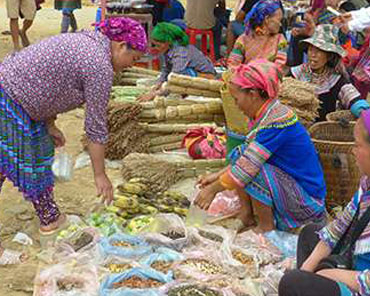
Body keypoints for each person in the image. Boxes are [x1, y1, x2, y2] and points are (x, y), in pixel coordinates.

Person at [0, 17, 147, 265]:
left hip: (16, 93)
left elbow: (50, 80)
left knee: (37, 156)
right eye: (132, 59)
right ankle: (49, 218)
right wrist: (100, 175)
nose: (130, 66)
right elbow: (96, 126)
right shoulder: (99, 65)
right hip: (10, 97)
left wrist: (49, 123)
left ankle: (49, 218)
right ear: (121, 45)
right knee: (21, 162)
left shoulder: (91, 43)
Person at [194, 60, 327, 233]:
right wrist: (216, 176)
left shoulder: (277, 122)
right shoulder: (265, 115)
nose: (236, 104)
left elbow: (247, 166)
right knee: (239, 154)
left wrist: (213, 190)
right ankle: (246, 214)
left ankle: (266, 226)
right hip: (291, 187)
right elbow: (245, 156)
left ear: (253, 94)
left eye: (236, 99)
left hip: (307, 202)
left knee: (251, 168)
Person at [279, 104, 370, 296]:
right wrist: (307, 270)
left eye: (357, 145)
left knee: (293, 283)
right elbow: (338, 228)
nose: (353, 151)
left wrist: (329, 274)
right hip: (356, 264)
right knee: (310, 234)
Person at [291, 24, 369, 121]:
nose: (313, 55)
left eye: (319, 51)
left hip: (321, 131)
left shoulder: (335, 79)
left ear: (329, 56)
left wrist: (361, 110)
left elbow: (350, 96)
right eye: (311, 49)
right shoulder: (296, 73)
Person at [139, 22, 216, 101]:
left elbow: (174, 78)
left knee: (178, 76)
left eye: (158, 45)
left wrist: (155, 94)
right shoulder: (168, 49)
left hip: (205, 78)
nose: (157, 48)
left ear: (168, 42)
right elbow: (166, 69)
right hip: (189, 73)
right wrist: (158, 84)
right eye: (155, 45)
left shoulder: (180, 52)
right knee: (167, 78)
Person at [227, 0, 288, 71]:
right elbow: (233, 64)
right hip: (247, 78)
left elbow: (279, 66)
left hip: (269, 79)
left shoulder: (280, 40)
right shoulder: (243, 39)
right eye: (279, 20)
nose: (280, 24)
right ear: (267, 19)